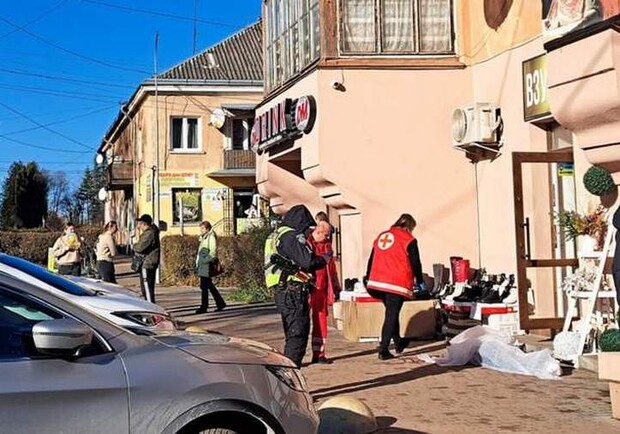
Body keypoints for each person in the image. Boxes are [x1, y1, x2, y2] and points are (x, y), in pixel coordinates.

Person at [264, 204, 330, 368]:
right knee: (297, 334)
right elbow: (306, 261)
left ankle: (288, 372)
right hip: (292, 290)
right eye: (306, 228)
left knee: (292, 333)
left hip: (282, 289)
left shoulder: (275, 235)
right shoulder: (290, 236)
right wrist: (323, 259)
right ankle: (289, 374)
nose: (306, 232)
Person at [365, 213, 426, 360]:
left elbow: (372, 257)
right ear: (408, 227)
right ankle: (383, 348)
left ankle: (398, 342)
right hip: (395, 282)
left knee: (392, 312)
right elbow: (415, 262)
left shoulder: (382, 236)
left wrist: (368, 276)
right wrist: (420, 280)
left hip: (377, 280)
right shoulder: (408, 239)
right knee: (391, 314)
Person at [308, 213, 341, 364]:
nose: (328, 237)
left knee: (320, 321)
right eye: (326, 234)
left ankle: (319, 353)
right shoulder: (307, 243)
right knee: (302, 322)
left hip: (321, 288)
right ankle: (297, 354)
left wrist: (335, 286)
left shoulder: (326, 246)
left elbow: (331, 269)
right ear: (318, 231)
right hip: (308, 287)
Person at [195, 221, 227, 314]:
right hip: (202, 264)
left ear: (207, 228)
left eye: (202, 228)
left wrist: (205, 260)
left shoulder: (210, 237)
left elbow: (213, 251)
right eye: (200, 228)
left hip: (206, 264)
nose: (201, 230)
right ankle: (220, 303)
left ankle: (204, 307)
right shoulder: (204, 237)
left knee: (204, 286)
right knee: (208, 285)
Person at [133, 214, 160, 304]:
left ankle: (151, 308)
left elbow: (140, 247)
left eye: (140, 224)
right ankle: (150, 305)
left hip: (147, 263)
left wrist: (134, 246)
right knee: (147, 288)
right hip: (148, 262)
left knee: (147, 290)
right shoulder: (151, 232)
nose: (139, 226)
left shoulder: (149, 233)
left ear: (144, 224)